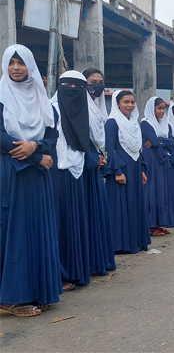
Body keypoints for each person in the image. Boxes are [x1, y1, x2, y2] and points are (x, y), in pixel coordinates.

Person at [0, 45, 61, 316]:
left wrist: (37, 146)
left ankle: (37, 290)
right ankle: (11, 298)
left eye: (21, 63)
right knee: (17, 231)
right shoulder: (1, 96)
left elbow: (51, 134)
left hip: (37, 175)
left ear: (30, 67)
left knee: (37, 230)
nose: (16, 68)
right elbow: (2, 138)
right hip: (11, 172)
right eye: (11, 62)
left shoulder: (40, 98)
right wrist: (37, 157)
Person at [49, 71, 92, 291]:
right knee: (59, 223)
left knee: (73, 222)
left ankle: (74, 272)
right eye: (68, 86)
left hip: (75, 171)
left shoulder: (83, 111)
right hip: (55, 172)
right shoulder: (51, 108)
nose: (73, 91)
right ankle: (59, 274)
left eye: (79, 87)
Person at [104, 90, 149, 254]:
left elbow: (138, 148)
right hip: (121, 168)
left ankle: (135, 241)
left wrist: (142, 170)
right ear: (117, 104)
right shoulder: (112, 123)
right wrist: (117, 171)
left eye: (132, 102)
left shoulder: (134, 124)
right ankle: (120, 244)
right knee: (120, 205)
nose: (130, 105)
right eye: (126, 102)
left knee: (134, 203)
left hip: (135, 167)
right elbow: (110, 149)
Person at [82, 68, 116, 275]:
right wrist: (92, 157)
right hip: (82, 165)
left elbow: (98, 140)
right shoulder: (79, 106)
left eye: (100, 82)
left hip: (95, 163)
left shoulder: (97, 109)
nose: (97, 85)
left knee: (96, 214)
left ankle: (97, 260)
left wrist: (98, 157)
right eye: (92, 81)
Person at [140, 97, 173, 237]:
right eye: (159, 108)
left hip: (161, 159)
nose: (161, 111)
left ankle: (159, 222)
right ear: (151, 108)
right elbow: (153, 141)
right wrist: (159, 142)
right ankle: (150, 225)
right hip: (151, 160)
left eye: (163, 109)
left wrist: (159, 142)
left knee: (161, 190)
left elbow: (171, 141)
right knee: (152, 190)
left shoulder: (165, 124)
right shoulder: (146, 123)